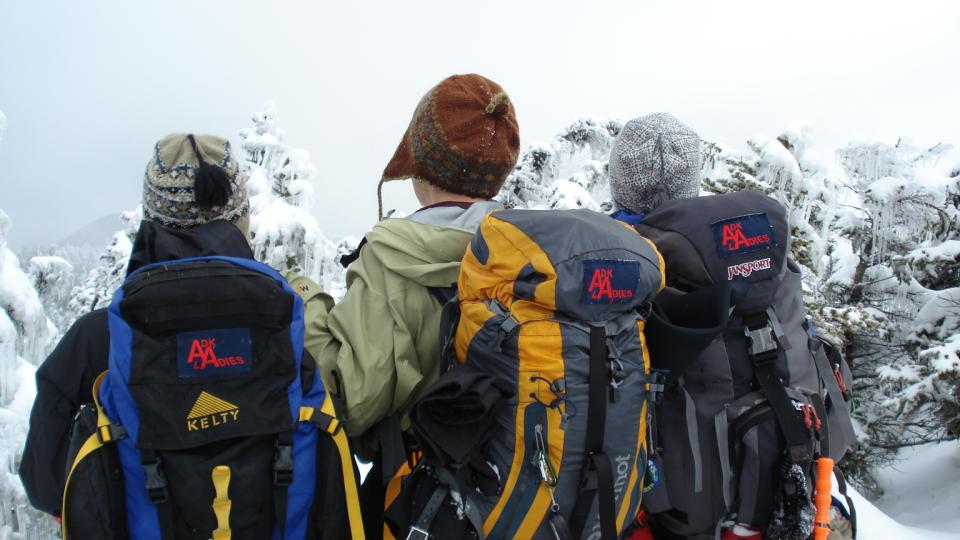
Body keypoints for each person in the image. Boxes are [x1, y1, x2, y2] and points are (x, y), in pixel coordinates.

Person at [20, 133, 358, 539]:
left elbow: (44, 482)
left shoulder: (100, 338)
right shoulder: (282, 325)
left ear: (153, 220)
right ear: (240, 217)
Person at [282, 73, 519, 537]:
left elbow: (352, 399)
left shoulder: (394, 260)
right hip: (517, 498)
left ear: (423, 159)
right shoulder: (525, 250)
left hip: (423, 504)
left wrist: (306, 301)